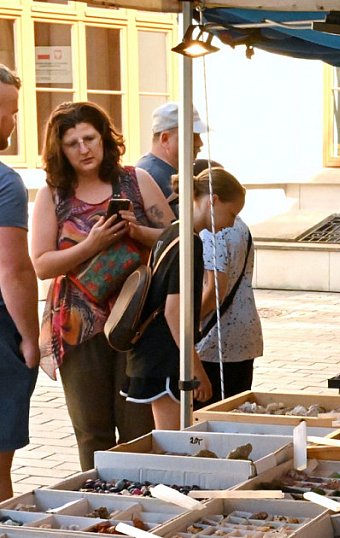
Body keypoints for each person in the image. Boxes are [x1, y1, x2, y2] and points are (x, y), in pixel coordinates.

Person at [32, 101, 173, 471]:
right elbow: (41, 265)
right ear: (59, 150)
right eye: (72, 143)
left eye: (90, 138)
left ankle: (140, 500)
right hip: (80, 327)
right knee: (91, 430)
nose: (84, 149)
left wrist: (138, 231)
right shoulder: (53, 193)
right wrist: (91, 244)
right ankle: (98, 507)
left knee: (138, 427)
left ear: (105, 138)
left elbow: (176, 240)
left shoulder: (135, 180)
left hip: (137, 321)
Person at [122, 171, 253, 428]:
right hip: (165, 357)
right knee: (173, 445)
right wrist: (197, 369)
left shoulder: (172, 231)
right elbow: (175, 312)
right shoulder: (190, 243)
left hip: (153, 354)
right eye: (232, 213)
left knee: (170, 440)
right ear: (212, 201)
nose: (231, 223)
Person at [0, 65, 38, 501]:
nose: (13, 121)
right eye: (10, 112)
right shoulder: (4, 182)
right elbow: (13, 269)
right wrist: (31, 336)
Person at [195, 167, 262, 403]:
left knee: (212, 418)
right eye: (232, 213)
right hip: (243, 334)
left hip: (217, 341)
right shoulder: (240, 227)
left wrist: (189, 326)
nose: (232, 220)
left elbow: (215, 289)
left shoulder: (213, 231)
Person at [136, 102, 205, 216]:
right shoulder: (149, 175)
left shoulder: (161, 170)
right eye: (192, 135)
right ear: (165, 139)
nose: (200, 143)